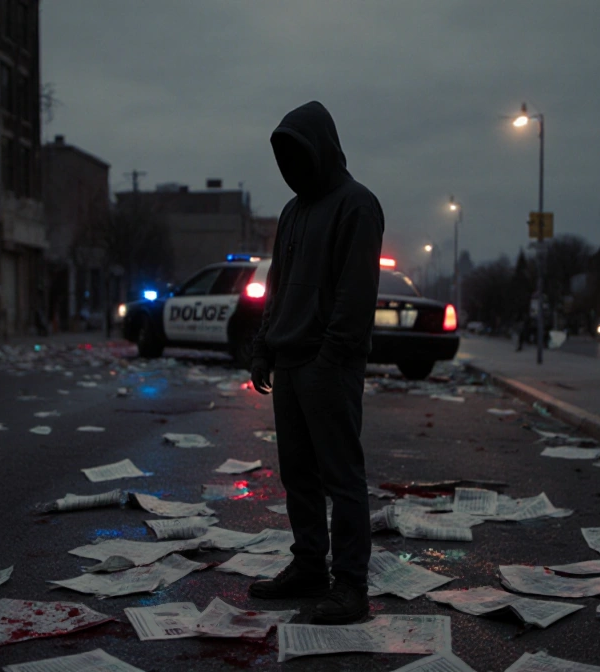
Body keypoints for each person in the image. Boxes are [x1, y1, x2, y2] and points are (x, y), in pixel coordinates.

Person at [248, 101, 384, 625]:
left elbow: (355, 296)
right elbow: (276, 287)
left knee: (341, 477)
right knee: (298, 475)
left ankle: (350, 585)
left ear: (322, 149)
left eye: (299, 154)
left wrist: (331, 358)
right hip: (290, 363)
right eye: (284, 157)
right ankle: (309, 566)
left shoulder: (357, 205)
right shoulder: (292, 211)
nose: (292, 167)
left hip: (331, 365)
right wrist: (263, 346)